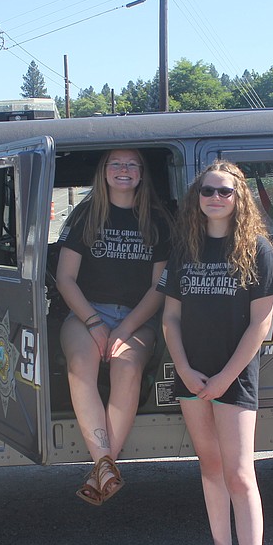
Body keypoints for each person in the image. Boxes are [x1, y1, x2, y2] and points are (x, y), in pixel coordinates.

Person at [157, 160, 273, 545]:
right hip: (191, 376)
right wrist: (186, 370)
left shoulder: (256, 249)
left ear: (240, 198)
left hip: (234, 375)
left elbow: (261, 324)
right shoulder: (185, 249)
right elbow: (170, 319)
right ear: (197, 197)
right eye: (208, 191)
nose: (216, 198)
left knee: (239, 474)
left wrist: (225, 378)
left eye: (225, 192)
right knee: (210, 467)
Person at [56, 149, 171, 506]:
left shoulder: (158, 220)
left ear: (141, 174)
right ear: (104, 172)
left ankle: (103, 467)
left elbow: (159, 288)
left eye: (132, 164)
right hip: (87, 311)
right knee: (81, 366)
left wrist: (124, 330)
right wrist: (93, 322)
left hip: (138, 316)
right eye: (116, 164)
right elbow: (65, 278)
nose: (124, 170)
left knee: (126, 366)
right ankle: (105, 466)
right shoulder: (84, 215)